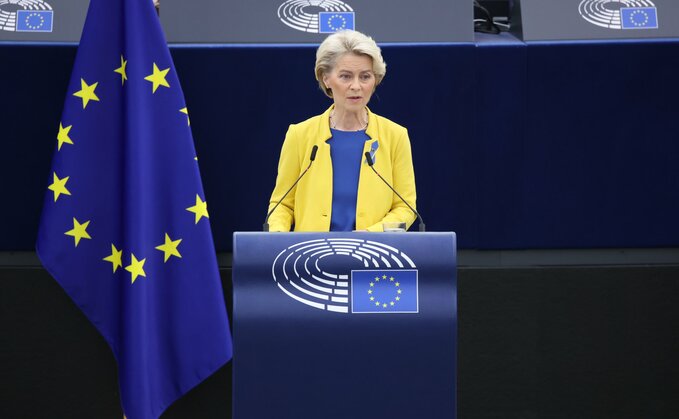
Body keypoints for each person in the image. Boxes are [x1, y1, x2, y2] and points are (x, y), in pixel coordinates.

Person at [266, 30, 417, 232]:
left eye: (365, 77)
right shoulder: (299, 135)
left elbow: (405, 208)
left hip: (370, 256)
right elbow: (282, 205)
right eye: (345, 76)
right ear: (326, 78)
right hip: (309, 258)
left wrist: (368, 237)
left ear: (376, 80)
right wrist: (278, 236)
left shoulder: (395, 136)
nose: (356, 86)